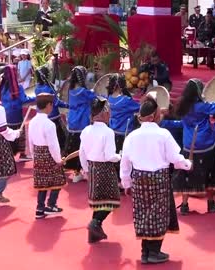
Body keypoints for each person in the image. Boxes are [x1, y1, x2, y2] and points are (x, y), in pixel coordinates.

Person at [120, 96, 192, 264]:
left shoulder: (132, 136)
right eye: (159, 112)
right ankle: (153, 252)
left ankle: (146, 252)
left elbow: (125, 162)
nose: (162, 115)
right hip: (159, 178)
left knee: (143, 214)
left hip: (139, 178)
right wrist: (187, 164)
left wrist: (126, 183)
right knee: (158, 215)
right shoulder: (163, 134)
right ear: (153, 116)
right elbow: (175, 158)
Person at [172, 79, 215, 215]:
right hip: (205, 145)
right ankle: (211, 203)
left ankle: (184, 205)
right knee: (211, 174)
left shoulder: (182, 105)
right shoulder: (201, 107)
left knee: (186, 174)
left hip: (188, 144)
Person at [79, 97, 121, 243]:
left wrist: (85, 169)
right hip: (105, 169)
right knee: (111, 201)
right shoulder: (108, 132)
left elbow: (81, 152)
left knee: (98, 202)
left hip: (92, 167)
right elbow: (110, 156)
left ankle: (93, 234)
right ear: (105, 113)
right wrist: (119, 156)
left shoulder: (86, 130)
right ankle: (95, 223)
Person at [29, 93, 66, 219]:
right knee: (58, 179)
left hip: (38, 154)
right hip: (49, 155)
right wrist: (58, 159)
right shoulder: (49, 124)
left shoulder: (33, 121)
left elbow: (30, 142)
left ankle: (40, 208)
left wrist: (34, 156)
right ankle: (51, 204)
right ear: (49, 105)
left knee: (42, 183)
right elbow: (53, 145)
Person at [65, 66, 97, 183]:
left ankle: (76, 171)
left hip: (73, 120)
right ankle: (83, 170)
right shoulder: (83, 92)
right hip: (82, 120)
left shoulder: (71, 90)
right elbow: (95, 98)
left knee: (73, 145)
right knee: (82, 147)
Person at [0, 65, 36, 161]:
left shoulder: (2, 86)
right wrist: (37, 97)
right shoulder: (18, 87)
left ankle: (8, 154)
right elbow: (24, 100)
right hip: (16, 115)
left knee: (8, 134)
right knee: (20, 134)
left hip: (6, 115)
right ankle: (22, 154)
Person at [35, 66, 70, 150]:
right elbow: (56, 102)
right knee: (61, 139)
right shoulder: (48, 88)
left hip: (42, 116)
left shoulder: (37, 88)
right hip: (53, 117)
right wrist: (68, 105)